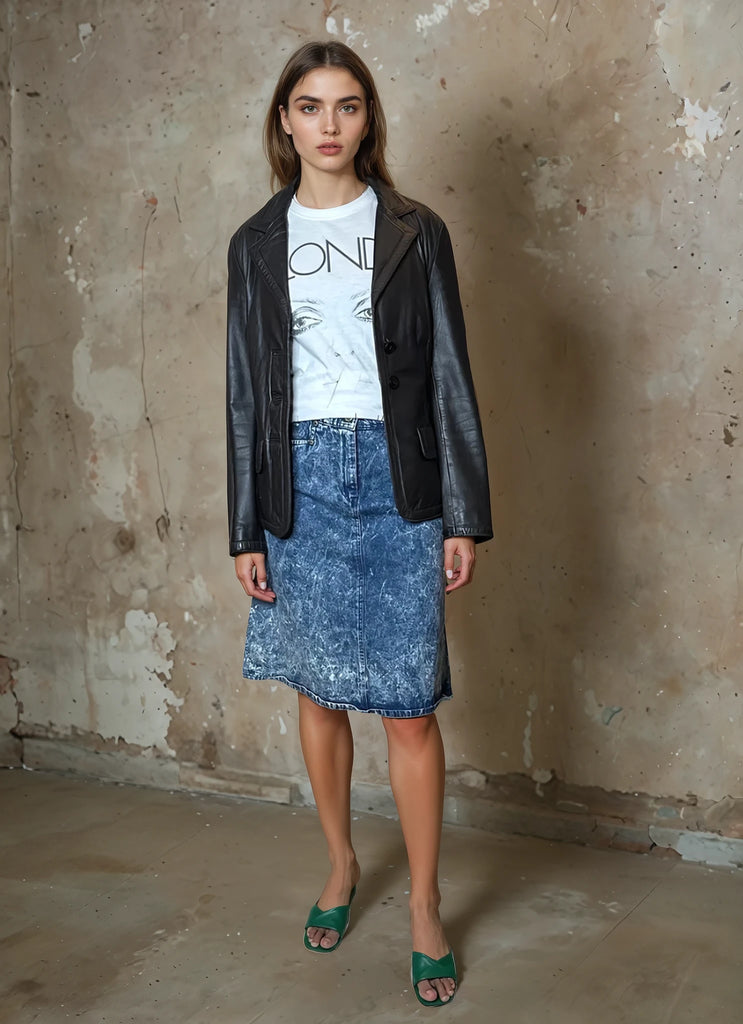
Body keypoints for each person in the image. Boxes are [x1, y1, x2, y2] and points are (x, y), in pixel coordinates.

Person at [226, 40, 492, 1007]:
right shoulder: (256, 242)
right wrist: (246, 528)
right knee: (318, 691)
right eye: (310, 106)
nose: (328, 124)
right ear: (285, 121)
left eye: (346, 105)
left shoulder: (415, 230)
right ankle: (340, 864)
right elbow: (244, 393)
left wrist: (462, 513)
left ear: (367, 118)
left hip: (398, 478)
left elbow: (450, 373)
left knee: (409, 707)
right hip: (298, 483)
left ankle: (423, 904)